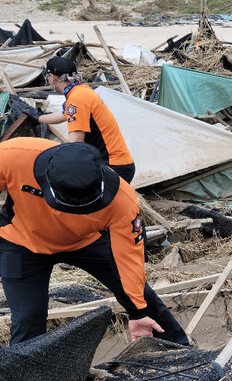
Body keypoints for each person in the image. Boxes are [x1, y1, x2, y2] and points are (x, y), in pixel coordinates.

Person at [0, 137, 188, 346]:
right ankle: (24, 375)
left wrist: (138, 311)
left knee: (143, 296)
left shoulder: (122, 200)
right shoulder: (12, 155)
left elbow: (128, 259)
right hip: (21, 242)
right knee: (27, 317)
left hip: (85, 242)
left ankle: (181, 349)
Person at [15, 56, 136, 184]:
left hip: (113, 166)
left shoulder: (77, 99)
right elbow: (62, 115)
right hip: (118, 163)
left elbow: (76, 142)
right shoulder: (81, 90)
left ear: (52, 78)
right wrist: (38, 117)